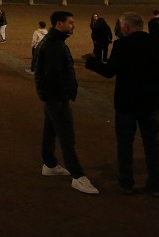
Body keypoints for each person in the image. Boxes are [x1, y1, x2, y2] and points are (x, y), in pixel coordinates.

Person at [83, 12, 159, 196]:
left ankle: (127, 183)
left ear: (126, 27)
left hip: (126, 103)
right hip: (151, 102)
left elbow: (109, 71)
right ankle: (155, 185)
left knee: (125, 144)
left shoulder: (122, 45)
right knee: (152, 144)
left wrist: (91, 62)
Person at [33, 10, 98, 194]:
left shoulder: (54, 42)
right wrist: (64, 95)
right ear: (59, 24)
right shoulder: (54, 45)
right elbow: (53, 75)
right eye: (70, 22)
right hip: (56, 97)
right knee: (67, 136)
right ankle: (78, 176)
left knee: (50, 131)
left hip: (51, 96)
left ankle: (50, 164)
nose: (73, 25)